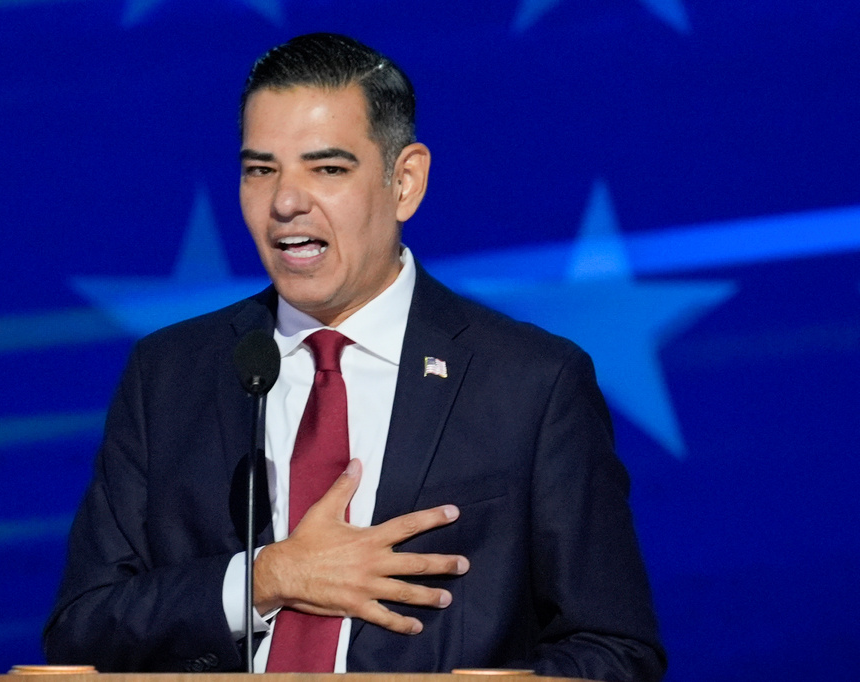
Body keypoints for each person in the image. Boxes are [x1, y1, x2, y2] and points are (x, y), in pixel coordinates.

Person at [43, 33, 666, 682]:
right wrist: (264, 579)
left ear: (405, 181)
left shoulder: (531, 385)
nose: (286, 201)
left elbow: (616, 649)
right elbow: (82, 633)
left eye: (327, 169)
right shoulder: (169, 375)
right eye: (261, 169)